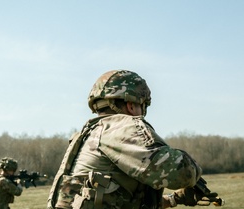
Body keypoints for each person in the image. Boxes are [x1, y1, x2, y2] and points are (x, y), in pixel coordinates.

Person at [47, 70, 221, 209]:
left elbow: (119, 200)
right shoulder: (122, 126)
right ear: (131, 105)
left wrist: (174, 199)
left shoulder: (89, 134)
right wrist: (193, 173)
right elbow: (182, 173)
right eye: (142, 106)